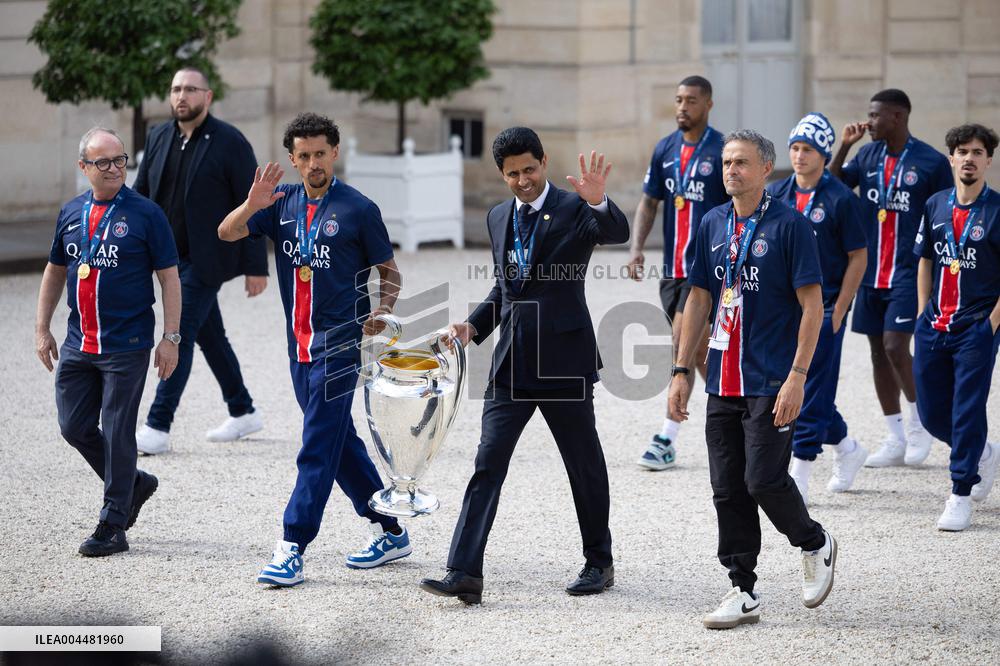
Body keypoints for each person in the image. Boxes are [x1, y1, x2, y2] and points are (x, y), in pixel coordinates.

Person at [419, 127, 629, 605]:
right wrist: (472, 327)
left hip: (565, 363)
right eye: (512, 174)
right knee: (487, 464)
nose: (522, 181)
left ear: (544, 162)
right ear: (502, 174)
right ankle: (464, 571)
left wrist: (599, 201)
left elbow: (616, 232)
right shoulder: (497, 217)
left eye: (529, 169)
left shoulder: (577, 207)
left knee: (584, 465)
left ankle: (600, 561)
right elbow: (504, 291)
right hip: (511, 363)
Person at [218, 112, 409, 586]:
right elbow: (226, 232)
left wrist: (382, 311)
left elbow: (391, 272)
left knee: (316, 447)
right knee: (337, 441)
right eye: (303, 156)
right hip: (297, 346)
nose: (312, 163)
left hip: (340, 346)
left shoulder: (358, 209)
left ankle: (292, 544)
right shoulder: (279, 203)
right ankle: (390, 529)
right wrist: (249, 204)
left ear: (334, 153)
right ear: (292, 160)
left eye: (320, 153)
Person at [670, 130, 837, 630]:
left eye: (741, 162)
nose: (730, 171)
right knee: (726, 489)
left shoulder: (792, 226)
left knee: (762, 479)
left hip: (771, 378)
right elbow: (698, 298)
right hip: (722, 375)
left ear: (767, 169)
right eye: (725, 162)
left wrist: (798, 376)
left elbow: (813, 306)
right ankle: (742, 588)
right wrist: (681, 371)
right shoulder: (712, 223)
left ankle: (814, 542)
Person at [35, 127, 181, 556]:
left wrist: (170, 338)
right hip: (80, 342)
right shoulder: (71, 212)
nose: (115, 168)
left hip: (127, 343)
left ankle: (113, 522)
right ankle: (134, 484)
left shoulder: (147, 214)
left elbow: (169, 278)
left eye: (119, 160)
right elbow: (55, 270)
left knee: (118, 431)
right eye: (103, 162)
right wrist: (42, 328)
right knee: (73, 426)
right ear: (84, 167)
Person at [134, 66, 268, 455]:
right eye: (176, 89)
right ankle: (243, 410)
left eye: (190, 89)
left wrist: (256, 265)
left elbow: (253, 204)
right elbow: (142, 195)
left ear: (207, 97)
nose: (181, 96)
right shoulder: (159, 136)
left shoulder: (230, 141)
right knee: (210, 335)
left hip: (207, 260)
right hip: (168, 258)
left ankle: (158, 425)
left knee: (180, 334)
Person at [830, 88, 952, 467]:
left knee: (896, 345)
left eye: (876, 115)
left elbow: (947, 215)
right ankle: (895, 437)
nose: (868, 121)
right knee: (878, 353)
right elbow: (831, 186)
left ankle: (920, 427)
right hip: (868, 271)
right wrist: (845, 147)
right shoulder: (866, 154)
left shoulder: (930, 162)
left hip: (907, 270)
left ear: (898, 116)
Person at [627, 75, 729, 471]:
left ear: (708, 104)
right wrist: (636, 249)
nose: (682, 107)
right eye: (678, 100)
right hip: (672, 271)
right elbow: (649, 202)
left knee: (680, 342)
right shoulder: (665, 148)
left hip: (708, 272)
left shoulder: (722, 150)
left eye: (690, 100)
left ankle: (666, 437)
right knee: (699, 352)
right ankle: (740, 412)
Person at [766, 113, 869, 503]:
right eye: (794, 147)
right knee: (799, 386)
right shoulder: (777, 193)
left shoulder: (841, 198)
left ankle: (801, 468)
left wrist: (841, 307)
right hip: (784, 309)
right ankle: (846, 446)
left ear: (824, 154)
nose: (798, 155)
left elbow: (858, 256)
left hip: (825, 307)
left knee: (812, 386)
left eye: (807, 149)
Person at [913, 123, 1000, 531]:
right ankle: (983, 451)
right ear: (951, 157)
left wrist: (990, 325)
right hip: (933, 324)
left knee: (967, 409)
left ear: (988, 160)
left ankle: (961, 491)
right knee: (931, 415)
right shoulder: (935, 205)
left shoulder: (997, 211)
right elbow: (926, 260)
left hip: (975, 328)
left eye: (977, 152)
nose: (969, 158)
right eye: (962, 151)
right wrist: (919, 315)